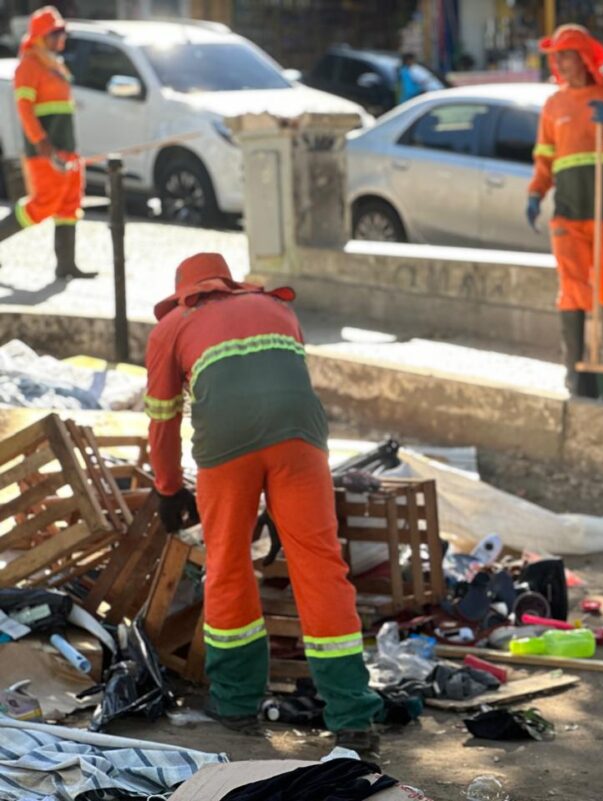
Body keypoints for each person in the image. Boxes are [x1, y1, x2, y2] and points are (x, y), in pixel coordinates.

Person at [145, 253, 382, 754]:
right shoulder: (277, 308)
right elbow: (281, 385)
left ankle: (235, 705)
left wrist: (167, 488)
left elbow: (163, 420)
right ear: (227, 282)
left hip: (225, 449)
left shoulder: (172, 326)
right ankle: (353, 717)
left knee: (228, 565)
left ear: (183, 291)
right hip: (301, 439)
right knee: (320, 566)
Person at [527, 24, 603, 395]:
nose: (559, 63)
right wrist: (535, 192)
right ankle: (574, 368)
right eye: (556, 57)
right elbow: (545, 157)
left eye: (566, 55)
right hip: (569, 209)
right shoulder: (554, 105)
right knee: (572, 286)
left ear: (584, 57)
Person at [0, 6, 94, 279]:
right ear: (41, 36)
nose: (61, 37)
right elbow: (24, 109)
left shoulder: (53, 64)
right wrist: (41, 142)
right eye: (56, 32)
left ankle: (66, 265)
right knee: (42, 205)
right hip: (46, 151)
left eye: (62, 32)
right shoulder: (29, 65)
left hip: (66, 149)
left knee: (69, 204)